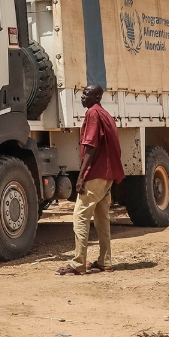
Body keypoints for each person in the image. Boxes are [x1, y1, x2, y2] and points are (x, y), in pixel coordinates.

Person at [57, 84, 125, 275]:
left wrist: (81, 176)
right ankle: (105, 261)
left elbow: (91, 146)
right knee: (102, 218)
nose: (82, 96)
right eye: (83, 93)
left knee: (80, 216)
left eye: (87, 94)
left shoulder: (93, 114)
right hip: (108, 174)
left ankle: (78, 263)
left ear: (97, 97)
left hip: (96, 173)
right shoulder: (105, 114)